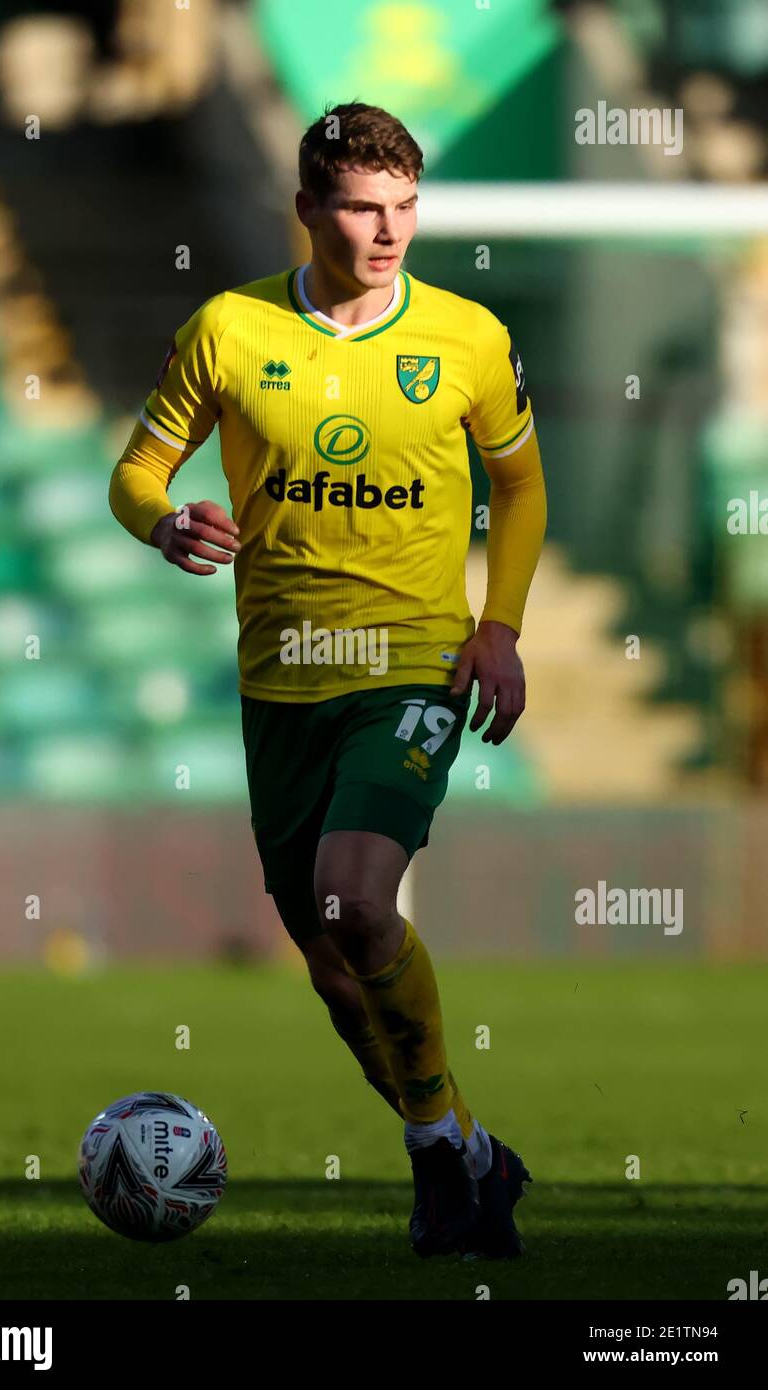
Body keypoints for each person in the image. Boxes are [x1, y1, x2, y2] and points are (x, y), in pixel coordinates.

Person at [109, 101, 546, 1260]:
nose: (388, 229)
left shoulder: (466, 339)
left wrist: (498, 626)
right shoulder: (231, 330)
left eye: (405, 206)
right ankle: (464, 1147)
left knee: (359, 898)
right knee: (333, 967)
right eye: (361, 206)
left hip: (412, 660)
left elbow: (522, 489)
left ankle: (433, 1165)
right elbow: (138, 470)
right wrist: (164, 524)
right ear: (307, 208)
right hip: (283, 676)